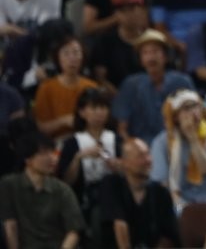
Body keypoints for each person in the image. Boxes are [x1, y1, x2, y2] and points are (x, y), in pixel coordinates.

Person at [0, 131, 84, 249]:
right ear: (28, 159)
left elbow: (73, 231)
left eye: (52, 152)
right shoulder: (9, 185)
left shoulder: (62, 189)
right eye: (44, 153)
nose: (52, 158)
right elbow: (10, 225)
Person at [113, 29, 195, 144]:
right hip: (141, 148)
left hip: (177, 144)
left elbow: (194, 120)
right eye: (145, 53)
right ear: (140, 59)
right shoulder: (130, 85)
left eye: (155, 51)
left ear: (166, 56)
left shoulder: (182, 82)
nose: (151, 58)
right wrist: (133, 149)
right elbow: (122, 128)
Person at [98, 138, 180, 248]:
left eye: (148, 154)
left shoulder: (161, 193)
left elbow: (169, 235)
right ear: (125, 163)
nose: (148, 160)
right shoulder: (112, 184)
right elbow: (120, 225)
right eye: (140, 156)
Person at [150, 89, 206, 210]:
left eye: (196, 106)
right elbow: (162, 183)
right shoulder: (161, 142)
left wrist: (193, 138)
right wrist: (178, 204)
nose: (193, 113)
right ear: (175, 116)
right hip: (178, 198)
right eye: (186, 109)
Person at [57, 88, 121, 219]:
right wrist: (78, 158)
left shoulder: (117, 139)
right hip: (84, 198)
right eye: (94, 108)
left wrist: (118, 166)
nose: (99, 112)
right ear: (81, 112)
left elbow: (129, 171)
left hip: (115, 194)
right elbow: (66, 182)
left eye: (103, 107)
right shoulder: (72, 143)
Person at [33, 36, 98, 139]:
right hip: (55, 142)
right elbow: (41, 127)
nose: (72, 58)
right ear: (58, 58)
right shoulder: (46, 88)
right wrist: (63, 121)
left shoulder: (91, 87)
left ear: (83, 57)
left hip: (87, 139)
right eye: (66, 53)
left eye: (76, 53)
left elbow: (99, 122)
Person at [90, 0, 147, 92]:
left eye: (132, 9)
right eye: (122, 11)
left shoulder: (153, 40)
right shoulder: (104, 42)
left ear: (143, 10)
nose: (128, 15)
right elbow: (100, 78)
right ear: (116, 14)